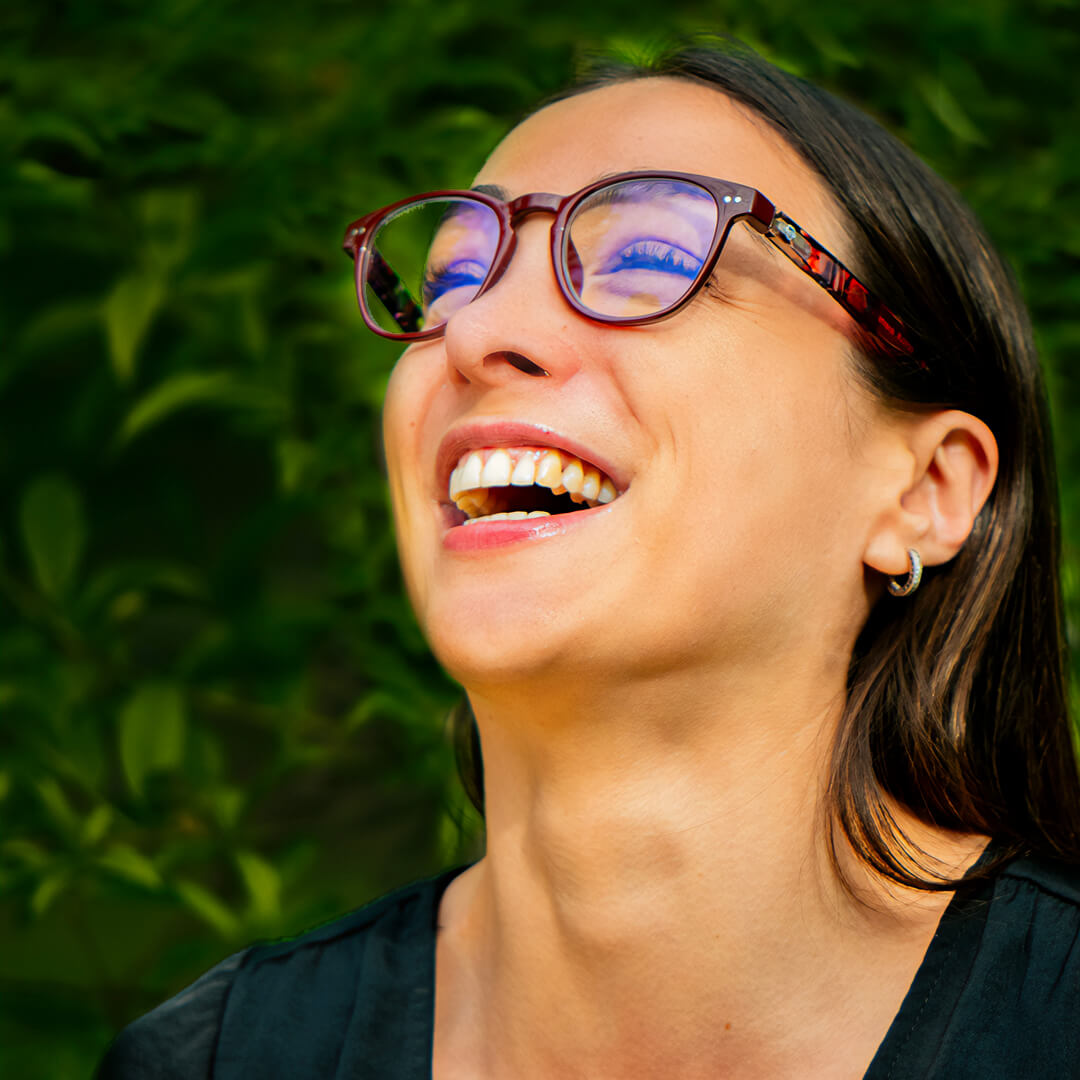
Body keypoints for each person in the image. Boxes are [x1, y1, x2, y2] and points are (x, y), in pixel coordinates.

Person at [98, 39, 1080, 1079]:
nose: (476, 332)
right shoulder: (215, 1062)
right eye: (451, 279)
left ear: (925, 492)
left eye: (652, 259)